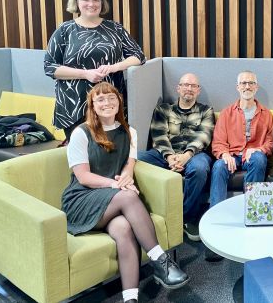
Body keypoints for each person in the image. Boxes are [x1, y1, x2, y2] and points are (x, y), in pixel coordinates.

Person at [61, 83, 189, 303]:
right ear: (92, 105)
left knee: (123, 228)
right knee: (129, 196)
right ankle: (161, 261)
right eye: (100, 99)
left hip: (112, 200)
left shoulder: (129, 132)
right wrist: (117, 185)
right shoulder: (81, 133)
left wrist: (126, 178)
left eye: (111, 98)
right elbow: (83, 177)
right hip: (82, 199)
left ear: (119, 101)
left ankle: (130, 298)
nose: (106, 103)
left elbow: (128, 165)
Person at [44, 0, 145, 142]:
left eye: (96, 0)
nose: (91, 4)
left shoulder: (115, 29)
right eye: (86, 0)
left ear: (102, 3)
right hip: (75, 105)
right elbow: (50, 67)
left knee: (111, 150)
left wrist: (114, 67)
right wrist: (85, 74)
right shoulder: (64, 31)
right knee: (82, 153)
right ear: (77, 2)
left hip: (110, 104)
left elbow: (138, 56)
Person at [137, 73, 214, 242]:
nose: (189, 89)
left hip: (195, 155)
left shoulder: (206, 111)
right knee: (136, 159)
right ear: (178, 88)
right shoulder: (163, 109)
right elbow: (159, 135)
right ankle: (144, 213)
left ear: (198, 90)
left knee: (200, 169)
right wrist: (171, 157)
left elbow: (204, 136)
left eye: (193, 86)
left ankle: (186, 218)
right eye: (185, 85)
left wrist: (186, 156)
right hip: (165, 154)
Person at [207, 71, 273, 260]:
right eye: (243, 83)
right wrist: (225, 154)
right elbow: (218, 142)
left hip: (252, 156)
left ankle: (251, 215)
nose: (247, 87)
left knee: (260, 159)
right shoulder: (227, 113)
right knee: (219, 166)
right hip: (232, 154)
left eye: (251, 83)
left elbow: (270, 143)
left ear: (256, 87)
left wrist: (258, 149)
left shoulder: (266, 114)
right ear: (237, 87)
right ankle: (215, 227)